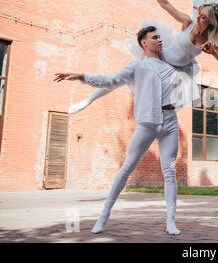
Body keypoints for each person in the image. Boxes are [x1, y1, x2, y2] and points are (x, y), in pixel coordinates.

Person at [54, 26, 191, 235]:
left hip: (171, 120)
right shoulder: (138, 67)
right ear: (144, 43)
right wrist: (82, 76)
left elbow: (188, 59)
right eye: (155, 37)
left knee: (169, 172)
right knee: (127, 168)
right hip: (148, 123)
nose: (160, 40)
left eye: (160, 37)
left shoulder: (170, 66)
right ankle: (103, 216)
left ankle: (171, 221)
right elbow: (110, 81)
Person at [68, 0, 218, 115]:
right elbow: (166, 5)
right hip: (161, 57)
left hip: (175, 72)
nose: (198, 18)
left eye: (202, 17)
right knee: (124, 76)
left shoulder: (211, 41)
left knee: (162, 102)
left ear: (210, 22)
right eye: (199, 13)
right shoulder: (188, 22)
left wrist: (215, 54)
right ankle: (88, 101)